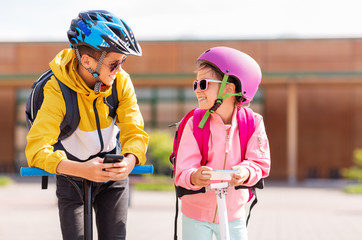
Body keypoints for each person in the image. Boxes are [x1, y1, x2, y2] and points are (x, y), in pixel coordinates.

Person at [25, 10, 148, 240]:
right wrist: (82, 170)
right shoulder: (57, 89)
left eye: (123, 62)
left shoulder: (121, 81)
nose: (119, 70)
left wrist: (130, 161)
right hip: (72, 178)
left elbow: (135, 132)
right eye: (113, 64)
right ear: (87, 60)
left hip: (113, 178)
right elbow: (36, 149)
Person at [174, 46, 271, 240]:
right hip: (196, 215)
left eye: (203, 84)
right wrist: (194, 176)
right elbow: (183, 169)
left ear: (229, 87)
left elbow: (259, 164)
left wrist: (245, 172)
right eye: (195, 85)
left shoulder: (253, 123)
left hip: (234, 215)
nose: (197, 90)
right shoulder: (194, 123)